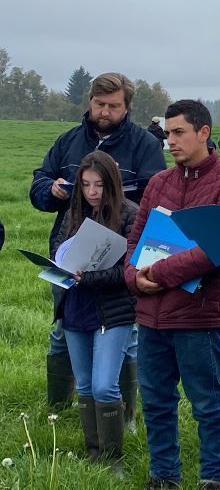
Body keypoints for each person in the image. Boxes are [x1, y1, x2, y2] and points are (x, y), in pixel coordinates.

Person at [125, 100, 220, 490]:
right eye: (167, 133)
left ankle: (214, 479)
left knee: (208, 404)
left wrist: (157, 274)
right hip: (151, 316)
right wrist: (132, 277)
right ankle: (164, 477)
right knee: (157, 403)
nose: (170, 141)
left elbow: (217, 248)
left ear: (204, 132)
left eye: (178, 133)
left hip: (197, 315)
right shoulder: (160, 182)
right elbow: (135, 239)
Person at [30, 72, 166, 419]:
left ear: (127, 107)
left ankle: (126, 414)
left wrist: (115, 195)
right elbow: (39, 184)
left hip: (119, 249)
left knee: (125, 336)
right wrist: (53, 190)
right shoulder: (69, 141)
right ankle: (59, 411)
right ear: (89, 102)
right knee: (63, 327)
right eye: (99, 104)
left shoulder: (143, 145)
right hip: (71, 244)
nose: (105, 111)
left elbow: (155, 198)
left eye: (113, 106)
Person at [51, 151, 139, 471]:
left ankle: (114, 460)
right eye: (86, 184)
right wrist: (59, 269)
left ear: (112, 183)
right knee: (86, 385)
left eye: (99, 184)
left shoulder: (130, 214)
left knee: (104, 384)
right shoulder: (73, 213)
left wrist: (88, 277)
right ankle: (95, 454)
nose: (91, 192)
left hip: (112, 310)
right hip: (74, 307)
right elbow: (58, 251)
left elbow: (129, 270)